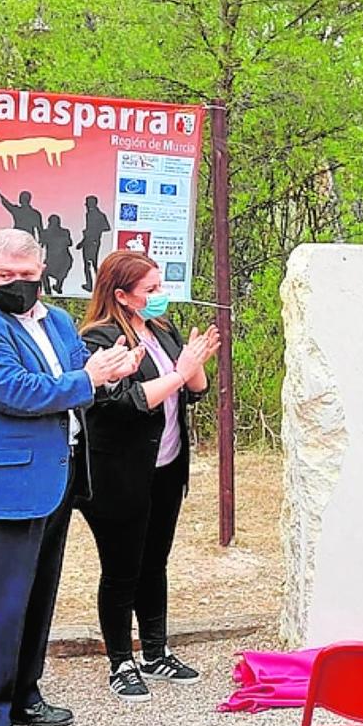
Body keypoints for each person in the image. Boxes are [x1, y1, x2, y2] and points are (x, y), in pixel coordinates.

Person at [0, 228, 142, 726]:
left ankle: (24, 695)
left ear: (42, 273)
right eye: (5, 276)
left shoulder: (59, 320)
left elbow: (76, 374)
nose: (17, 284)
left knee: (36, 598)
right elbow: (20, 392)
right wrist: (91, 378)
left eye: (26, 275)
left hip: (53, 479)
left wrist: (111, 373)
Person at [78, 250, 220, 701]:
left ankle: (156, 650)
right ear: (121, 295)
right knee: (121, 568)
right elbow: (126, 401)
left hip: (166, 464)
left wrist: (193, 365)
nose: (160, 297)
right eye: (151, 290)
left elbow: (194, 389)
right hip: (118, 470)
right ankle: (121, 660)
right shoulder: (99, 339)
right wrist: (179, 374)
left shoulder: (162, 328)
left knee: (154, 562)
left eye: (161, 286)